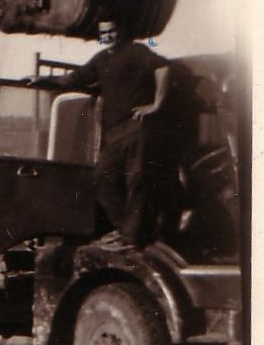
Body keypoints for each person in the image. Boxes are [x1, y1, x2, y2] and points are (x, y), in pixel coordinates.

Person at [27, 18, 170, 247]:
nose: (108, 36)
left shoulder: (136, 51)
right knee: (103, 178)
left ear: (121, 30)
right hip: (114, 132)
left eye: (112, 30)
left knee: (136, 180)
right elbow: (74, 78)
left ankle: (132, 238)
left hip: (136, 127)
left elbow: (163, 67)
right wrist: (44, 79)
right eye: (104, 32)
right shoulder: (101, 59)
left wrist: (156, 104)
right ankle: (128, 231)